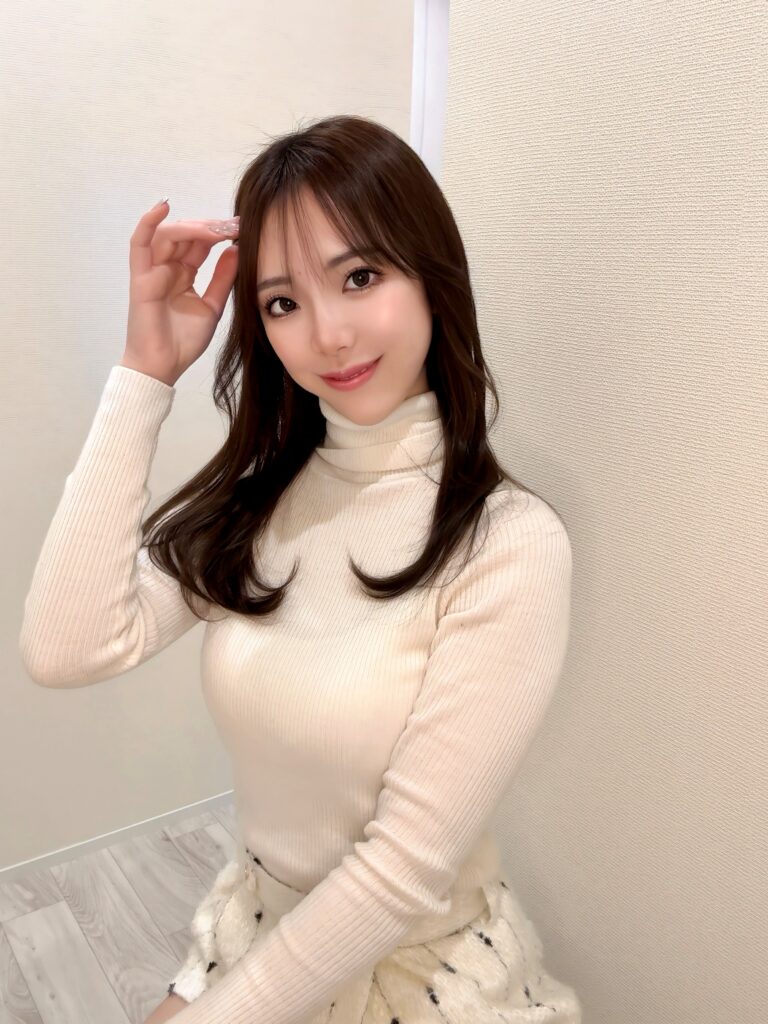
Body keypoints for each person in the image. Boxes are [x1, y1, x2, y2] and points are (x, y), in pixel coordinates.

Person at [20, 114, 581, 1024]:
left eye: (360, 277)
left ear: (431, 275)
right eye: (282, 303)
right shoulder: (263, 503)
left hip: (421, 970)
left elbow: (400, 872)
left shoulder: (508, 544)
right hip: (257, 928)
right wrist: (144, 373)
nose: (328, 334)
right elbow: (67, 648)